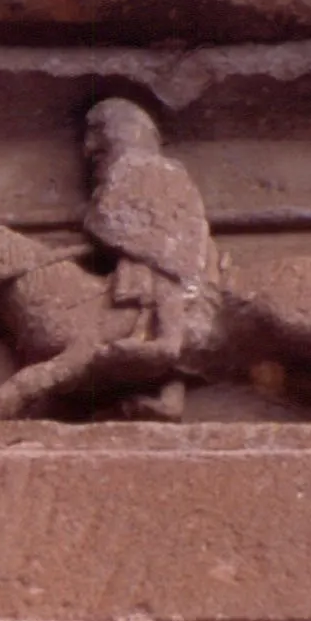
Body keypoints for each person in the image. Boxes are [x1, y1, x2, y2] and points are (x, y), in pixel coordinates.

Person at [80, 98, 213, 420]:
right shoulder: (152, 171)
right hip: (157, 256)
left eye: (99, 132)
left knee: (165, 292)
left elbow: (112, 218)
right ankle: (167, 391)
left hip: (167, 257)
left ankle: (167, 344)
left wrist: (97, 224)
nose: (88, 147)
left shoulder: (138, 169)